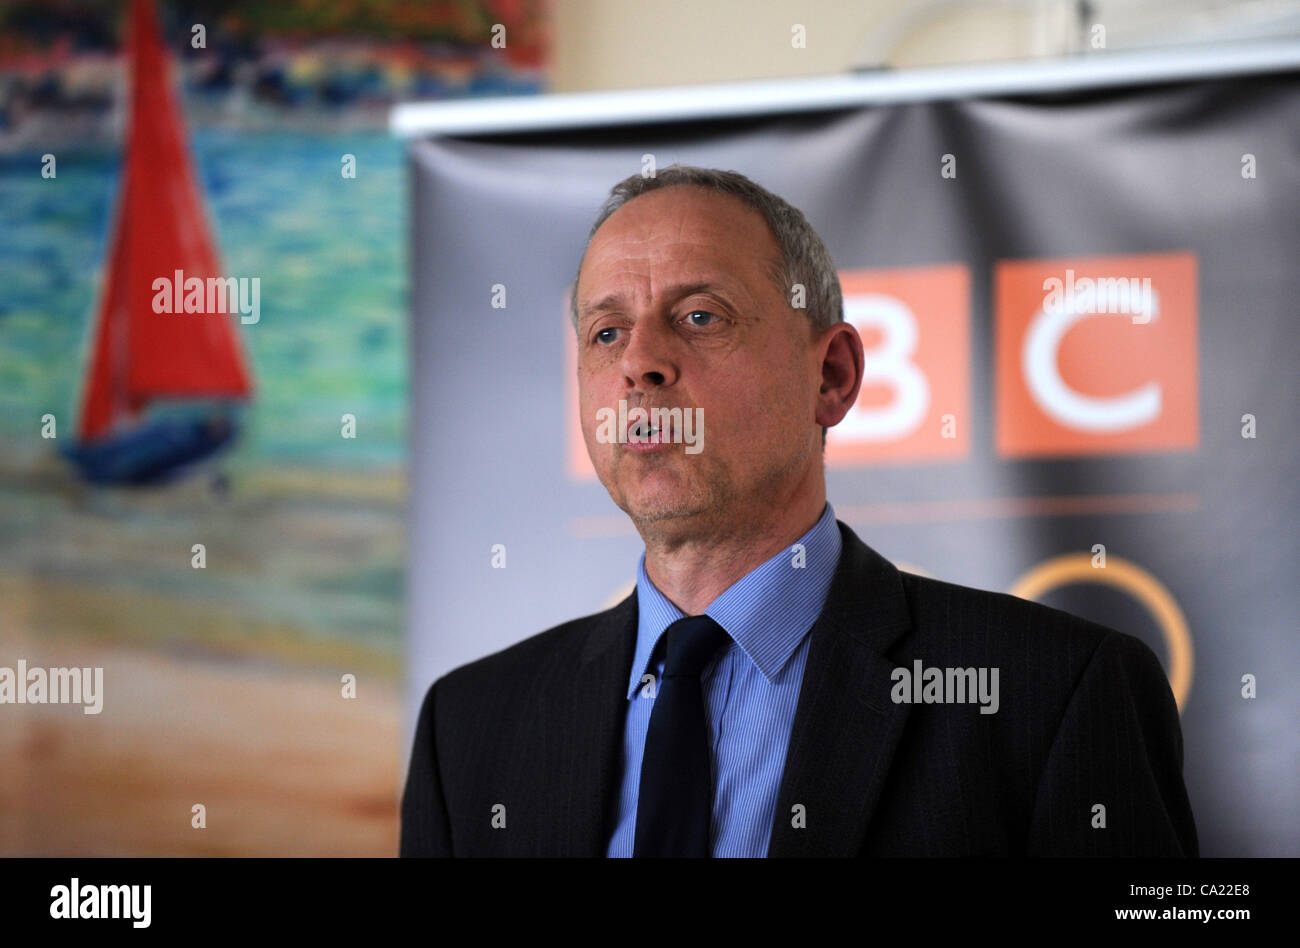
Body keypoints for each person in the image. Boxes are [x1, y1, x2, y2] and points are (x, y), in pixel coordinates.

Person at [400, 165, 1198, 857]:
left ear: (833, 376)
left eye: (700, 316)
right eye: (606, 333)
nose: (639, 362)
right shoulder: (468, 728)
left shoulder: (1054, 694)